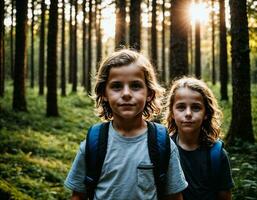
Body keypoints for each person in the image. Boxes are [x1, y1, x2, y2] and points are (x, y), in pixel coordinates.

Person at [64, 49, 188, 200]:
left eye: (135, 86)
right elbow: (78, 196)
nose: (126, 93)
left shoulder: (162, 143)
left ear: (149, 93)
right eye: (116, 86)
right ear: (104, 93)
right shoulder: (93, 143)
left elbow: (175, 196)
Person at [164, 77, 234, 200]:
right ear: (172, 113)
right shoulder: (163, 149)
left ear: (206, 113)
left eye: (196, 107)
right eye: (181, 107)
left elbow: (225, 196)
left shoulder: (217, 154)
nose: (188, 113)